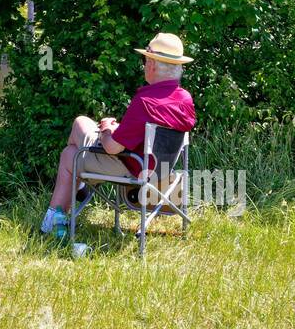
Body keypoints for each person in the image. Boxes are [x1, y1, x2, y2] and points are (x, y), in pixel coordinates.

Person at [40, 32, 197, 238]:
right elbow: (151, 131)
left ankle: (59, 214)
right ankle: (59, 211)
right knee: (71, 152)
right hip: (162, 170)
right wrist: (120, 129)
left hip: (133, 167)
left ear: (151, 64)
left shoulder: (146, 101)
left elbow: (112, 148)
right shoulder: (184, 98)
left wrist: (107, 129)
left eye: (145, 60)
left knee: (76, 137)